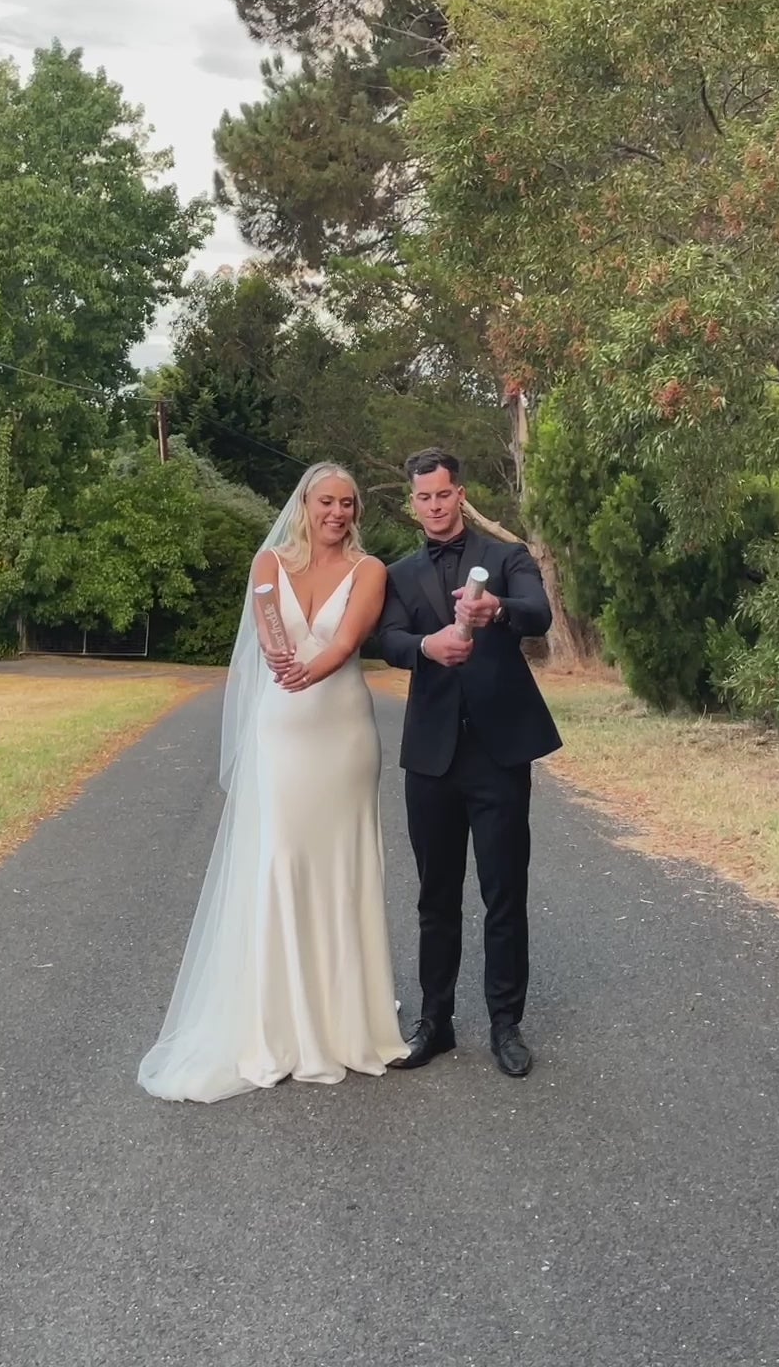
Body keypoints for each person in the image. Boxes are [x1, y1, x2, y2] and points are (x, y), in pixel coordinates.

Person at [138, 462, 407, 1102]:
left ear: (356, 511)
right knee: (281, 858)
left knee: (343, 865)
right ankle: (280, 1021)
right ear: (305, 505)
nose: (337, 513)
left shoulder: (370, 571)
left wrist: (307, 673)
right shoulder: (269, 564)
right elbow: (267, 626)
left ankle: (346, 1021)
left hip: (341, 733)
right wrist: (278, 654)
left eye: (347, 503)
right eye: (326, 502)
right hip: (283, 733)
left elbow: (346, 641)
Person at [378, 448, 561, 1078]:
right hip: (431, 756)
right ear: (414, 502)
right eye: (423, 497)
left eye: (443, 494)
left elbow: (539, 613)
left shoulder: (507, 558)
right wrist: (426, 646)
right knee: (435, 896)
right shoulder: (399, 574)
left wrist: (498, 610)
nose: (434, 505)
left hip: (498, 752)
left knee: (504, 893)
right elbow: (388, 639)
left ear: (461, 494)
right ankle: (437, 1022)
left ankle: (506, 1024)